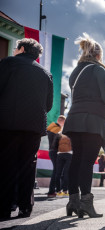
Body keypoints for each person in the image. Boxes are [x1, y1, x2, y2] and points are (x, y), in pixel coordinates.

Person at [0, 38, 53, 220]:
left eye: (16, 48)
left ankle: (4, 207)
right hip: (34, 127)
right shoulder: (46, 73)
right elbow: (48, 105)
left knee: (6, 165)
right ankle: (25, 207)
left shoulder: (8, 63)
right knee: (28, 167)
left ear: (21, 49)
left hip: (8, 123)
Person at [62, 33, 105, 218]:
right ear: (99, 55)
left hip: (74, 119)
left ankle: (73, 202)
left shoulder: (76, 72)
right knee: (86, 163)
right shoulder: (98, 70)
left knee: (76, 161)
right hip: (93, 122)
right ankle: (86, 204)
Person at [47, 115, 66, 198]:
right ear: (62, 121)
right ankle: (52, 190)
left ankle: (53, 190)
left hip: (51, 151)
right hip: (55, 151)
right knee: (57, 171)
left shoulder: (52, 127)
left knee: (56, 170)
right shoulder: (57, 129)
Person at [52, 132, 73, 197]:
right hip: (69, 154)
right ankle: (65, 190)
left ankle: (58, 190)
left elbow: (54, 146)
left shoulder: (59, 135)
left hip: (60, 154)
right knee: (66, 173)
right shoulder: (70, 135)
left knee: (58, 173)